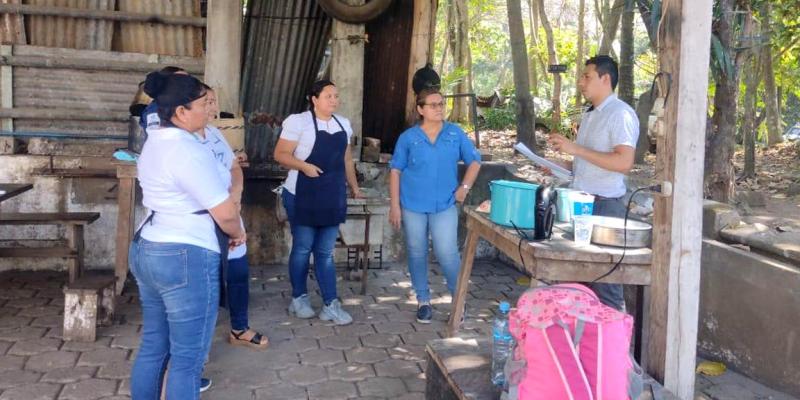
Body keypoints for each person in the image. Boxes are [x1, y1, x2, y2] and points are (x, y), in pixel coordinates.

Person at [128, 72, 246, 399]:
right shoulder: (187, 150)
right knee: (187, 361)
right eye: (202, 104)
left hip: (148, 246)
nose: (209, 110)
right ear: (180, 112)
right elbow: (224, 213)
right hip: (185, 255)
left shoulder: (156, 142)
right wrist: (236, 233)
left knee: (154, 344)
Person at [547, 55, 639, 311]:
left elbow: (623, 162)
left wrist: (575, 148)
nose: (581, 82)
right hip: (580, 204)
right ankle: (580, 344)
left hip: (606, 207)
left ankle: (613, 347)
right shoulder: (589, 116)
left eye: (587, 77)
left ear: (605, 79)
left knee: (605, 284)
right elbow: (585, 163)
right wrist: (556, 165)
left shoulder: (620, 114)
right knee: (575, 280)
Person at [389, 87, 481, 323]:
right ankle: (423, 301)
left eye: (441, 104)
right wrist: (395, 206)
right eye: (433, 105)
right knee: (417, 252)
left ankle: (458, 301)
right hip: (412, 205)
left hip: (445, 204)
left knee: (447, 253)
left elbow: (474, 162)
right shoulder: (408, 137)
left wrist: (465, 188)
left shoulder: (454, 133)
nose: (439, 108)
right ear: (421, 109)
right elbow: (396, 170)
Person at [273, 79, 360, 326]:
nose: (334, 100)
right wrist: (304, 166)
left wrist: (354, 188)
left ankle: (331, 305)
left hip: (332, 194)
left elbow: (347, 161)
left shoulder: (343, 124)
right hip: (301, 192)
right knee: (303, 247)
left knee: (325, 252)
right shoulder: (298, 122)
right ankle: (298, 298)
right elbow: (280, 155)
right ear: (314, 99)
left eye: (336, 96)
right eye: (328, 96)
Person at [198, 86, 268, 350]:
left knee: (238, 271)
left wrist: (236, 193)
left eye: (215, 101)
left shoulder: (215, 134)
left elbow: (234, 167)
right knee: (206, 282)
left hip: (230, 213)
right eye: (207, 102)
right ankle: (198, 348)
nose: (213, 108)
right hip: (206, 222)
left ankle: (239, 328)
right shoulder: (185, 142)